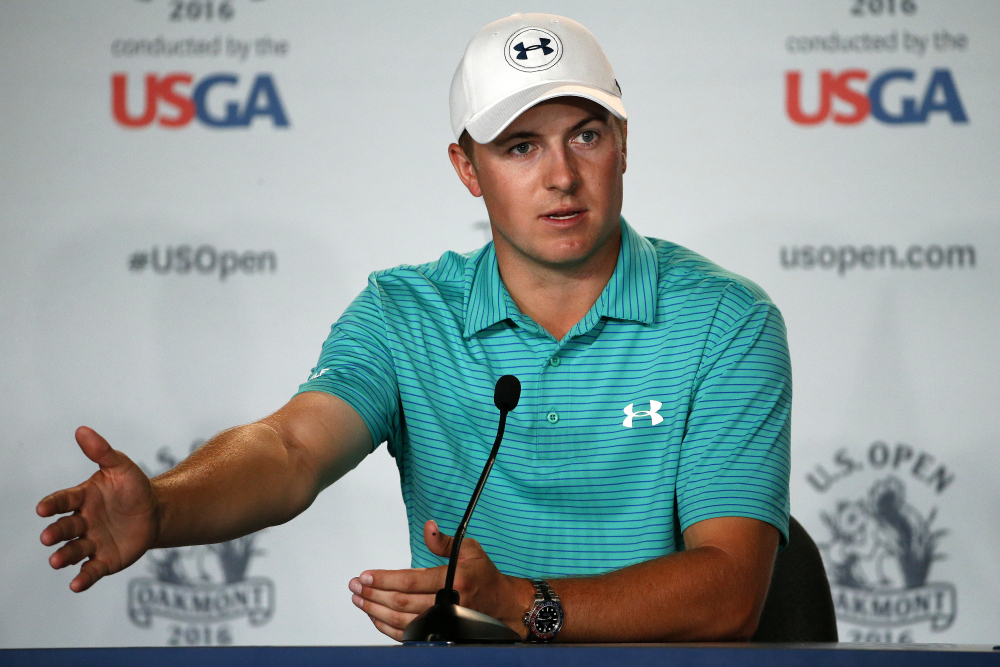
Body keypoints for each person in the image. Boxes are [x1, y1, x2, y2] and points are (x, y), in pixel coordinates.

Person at [37, 13, 791, 643]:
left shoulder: (725, 320)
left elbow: (729, 591)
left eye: (586, 136)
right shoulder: (405, 312)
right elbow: (291, 446)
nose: (561, 175)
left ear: (624, 144)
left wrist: (520, 604)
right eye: (520, 146)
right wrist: (165, 507)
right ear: (468, 168)